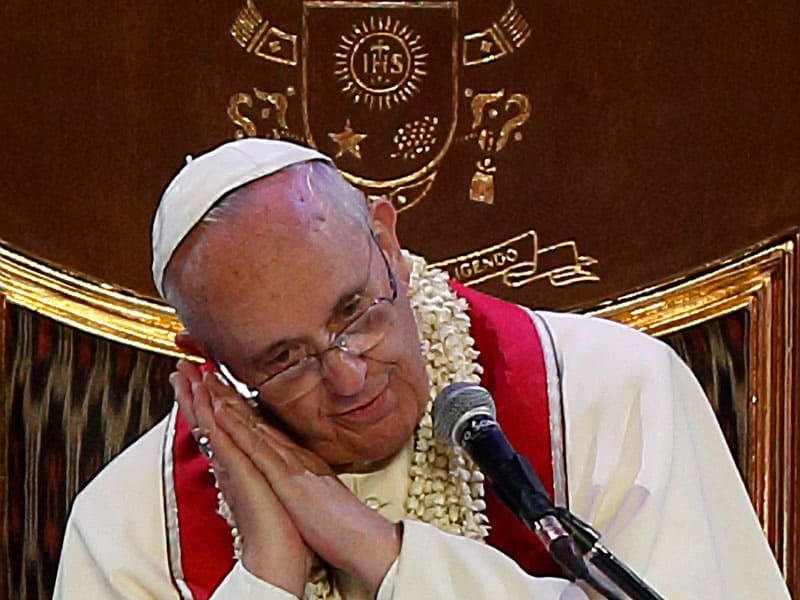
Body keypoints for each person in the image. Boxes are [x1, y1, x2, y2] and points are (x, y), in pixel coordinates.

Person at [54, 139, 790, 599]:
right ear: (206, 360)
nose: (347, 377)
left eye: (354, 312)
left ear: (386, 236)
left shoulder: (615, 395)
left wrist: (377, 551)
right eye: (284, 359)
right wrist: (267, 575)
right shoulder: (130, 523)